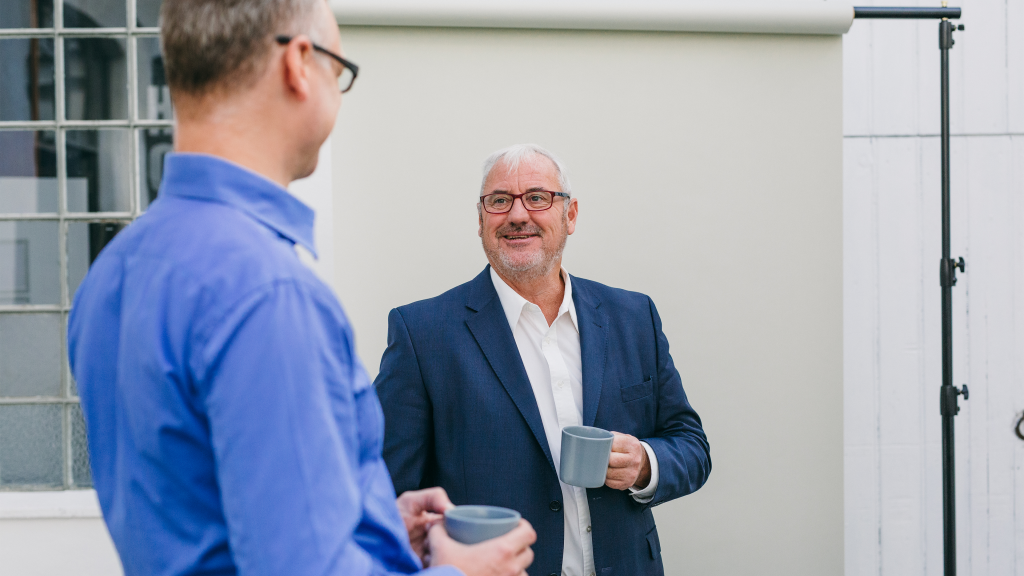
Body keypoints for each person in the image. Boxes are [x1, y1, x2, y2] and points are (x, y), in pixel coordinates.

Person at [66, 1, 535, 575]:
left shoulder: (114, 271)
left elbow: (207, 509)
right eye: (338, 72)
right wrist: (459, 572)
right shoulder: (266, 291)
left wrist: (373, 524)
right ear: (298, 64)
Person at [375, 144, 712, 576]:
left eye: (537, 197)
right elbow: (384, 491)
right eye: (500, 201)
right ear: (480, 220)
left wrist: (645, 463)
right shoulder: (422, 334)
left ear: (570, 215)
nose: (518, 215)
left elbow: (691, 444)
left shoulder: (633, 316)